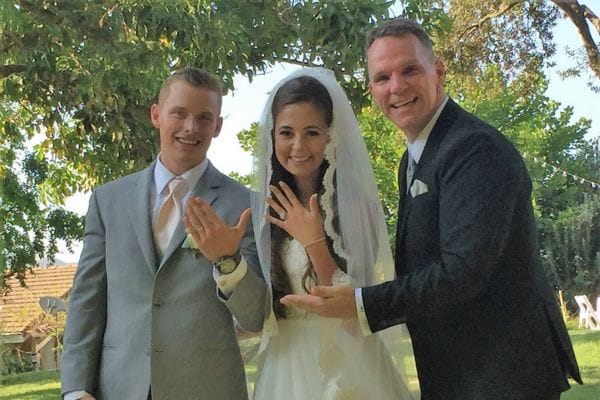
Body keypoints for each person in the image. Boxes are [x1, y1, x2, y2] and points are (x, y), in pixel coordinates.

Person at [281, 18, 582, 400]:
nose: (397, 87)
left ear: (437, 71)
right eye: (382, 77)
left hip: (502, 372)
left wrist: (361, 302)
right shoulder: (413, 159)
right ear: (372, 88)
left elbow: (463, 270)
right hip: (457, 369)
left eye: (410, 70)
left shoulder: (474, 148)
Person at [60, 67, 268, 400]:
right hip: (117, 388)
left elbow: (255, 316)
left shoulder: (246, 205)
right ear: (156, 115)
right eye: (179, 113)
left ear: (218, 126)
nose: (191, 127)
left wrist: (229, 260)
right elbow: (87, 302)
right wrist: (74, 389)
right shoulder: (108, 201)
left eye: (204, 117)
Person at [245, 67, 415, 400]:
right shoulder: (265, 210)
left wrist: (313, 242)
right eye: (286, 133)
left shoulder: (355, 206)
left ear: (330, 136)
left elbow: (355, 308)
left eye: (311, 132)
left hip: (345, 359)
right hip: (285, 364)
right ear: (272, 137)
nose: (298, 145)